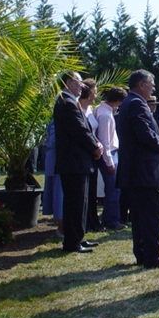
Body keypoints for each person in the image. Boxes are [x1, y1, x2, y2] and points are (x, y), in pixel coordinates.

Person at [116, 70, 159, 269]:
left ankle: (142, 253)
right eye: (151, 84)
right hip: (143, 171)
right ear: (142, 84)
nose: (153, 88)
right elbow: (145, 135)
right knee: (150, 215)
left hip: (135, 170)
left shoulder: (128, 103)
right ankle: (152, 256)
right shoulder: (136, 104)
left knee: (140, 217)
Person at [53, 71, 103, 253]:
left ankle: (78, 237)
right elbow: (79, 130)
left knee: (81, 202)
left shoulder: (70, 103)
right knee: (75, 203)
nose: (82, 86)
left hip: (79, 162)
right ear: (68, 83)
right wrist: (95, 146)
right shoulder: (66, 103)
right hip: (73, 162)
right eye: (79, 82)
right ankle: (72, 242)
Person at [94, 86, 127, 230]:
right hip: (110, 154)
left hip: (110, 153)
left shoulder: (100, 110)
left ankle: (109, 217)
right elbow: (105, 141)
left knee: (112, 188)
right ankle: (111, 220)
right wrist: (109, 162)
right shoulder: (106, 115)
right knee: (113, 188)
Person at [79, 79, 102, 232]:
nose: (96, 95)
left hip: (95, 152)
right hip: (86, 151)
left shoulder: (91, 110)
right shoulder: (78, 108)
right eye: (94, 92)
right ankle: (85, 222)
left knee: (92, 190)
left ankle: (93, 220)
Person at [42, 119, 63, 238]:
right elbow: (54, 141)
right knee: (59, 195)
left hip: (56, 160)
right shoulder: (56, 121)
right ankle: (61, 228)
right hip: (57, 161)